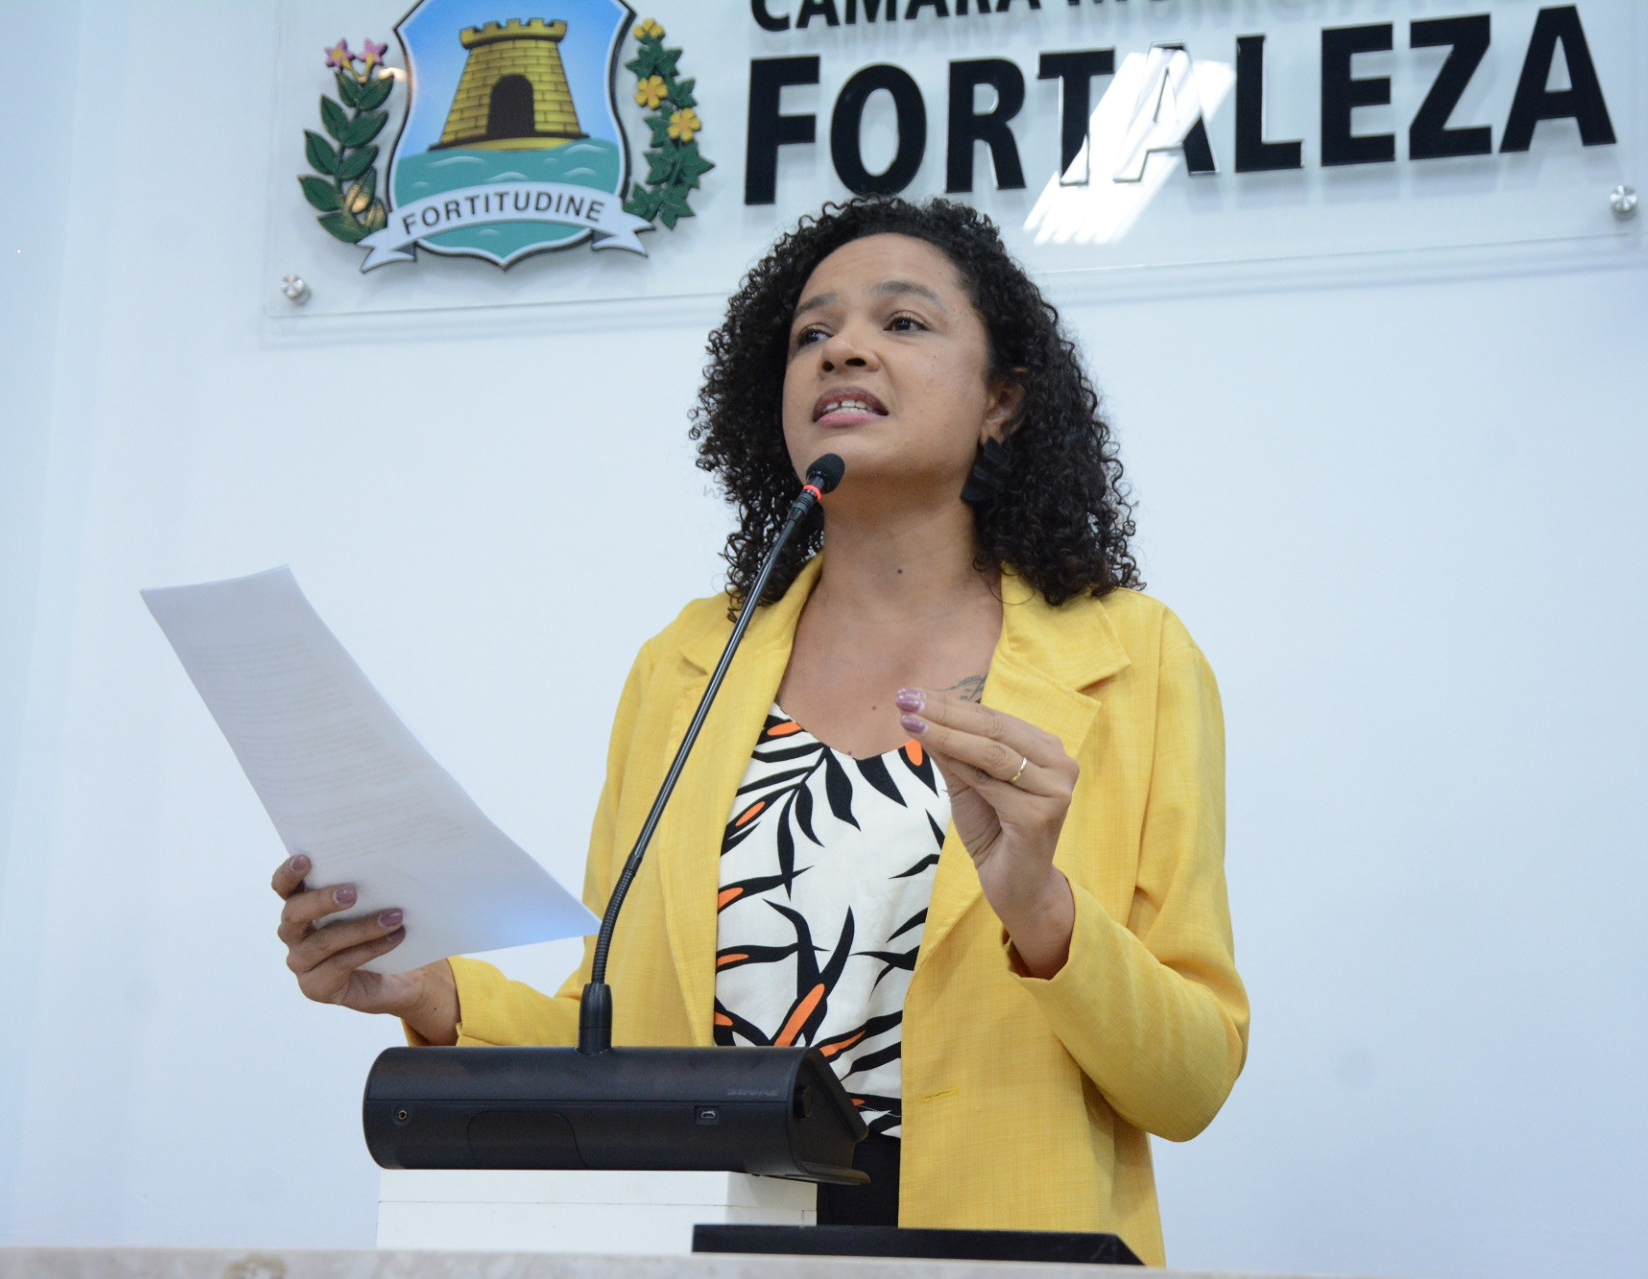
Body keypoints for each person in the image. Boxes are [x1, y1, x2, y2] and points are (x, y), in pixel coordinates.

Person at [268, 196, 1247, 1263]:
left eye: (903, 323)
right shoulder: (687, 667)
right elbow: (628, 1040)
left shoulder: (1132, 659)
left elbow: (1191, 1081)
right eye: (811, 335)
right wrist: (431, 990)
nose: (845, 351)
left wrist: (1046, 915)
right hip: (709, 1247)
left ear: (1003, 401)